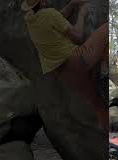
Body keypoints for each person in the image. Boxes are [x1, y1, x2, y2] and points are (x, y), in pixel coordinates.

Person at [21, 0, 106, 130]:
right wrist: (82, 14)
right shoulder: (50, 14)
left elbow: (55, 19)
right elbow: (78, 37)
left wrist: (71, 5)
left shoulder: (30, 18)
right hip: (77, 60)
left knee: (98, 106)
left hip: (63, 73)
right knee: (106, 29)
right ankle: (104, 62)